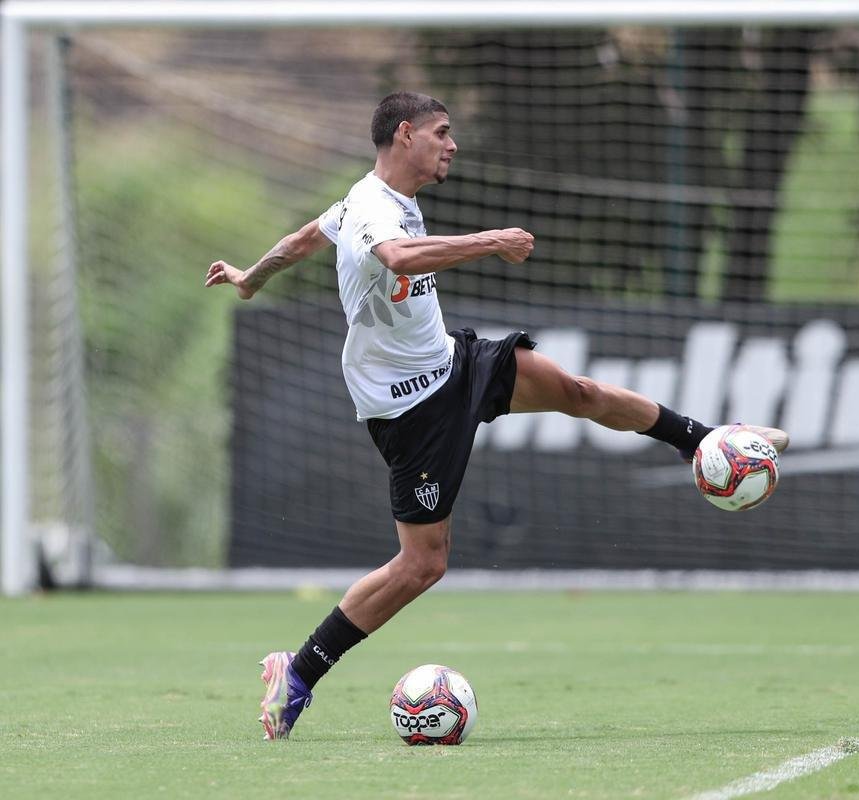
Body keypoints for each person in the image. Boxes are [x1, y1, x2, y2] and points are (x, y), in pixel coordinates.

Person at [205, 91, 789, 740]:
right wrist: (489, 240)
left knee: (576, 391)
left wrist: (253, 277)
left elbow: (306, 237)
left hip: (453, 361)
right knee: (423, 564)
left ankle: (706, 444)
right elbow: (397, 258)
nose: (451, 144)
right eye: (440, 132)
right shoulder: (372, 206)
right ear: (405, 135)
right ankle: (300, 673)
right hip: (409, 408)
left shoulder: (362, 203)